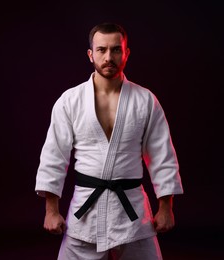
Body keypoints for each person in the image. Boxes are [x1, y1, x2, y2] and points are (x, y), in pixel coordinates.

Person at [35, 22, 184, 260]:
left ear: (126, 53)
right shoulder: (70, 101)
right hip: (84, 214)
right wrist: (51, 211)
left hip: (134, 215)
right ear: (90, 54)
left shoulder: (145, 100)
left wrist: (166, 208)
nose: (108, 56)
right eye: (102, 49)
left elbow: (162, 156)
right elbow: (54, 156)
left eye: (116, 49)